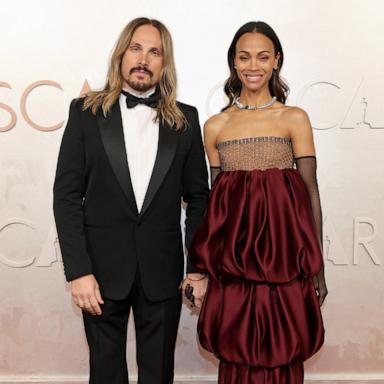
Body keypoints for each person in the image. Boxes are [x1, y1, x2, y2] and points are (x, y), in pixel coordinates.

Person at [53, 17, 209, 384]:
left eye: (154, 51)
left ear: (164, 62)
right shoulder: (85, 112)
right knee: (105, 374)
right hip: (100, 273)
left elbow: (198, 198)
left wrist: (197, 268)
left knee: (158, 375)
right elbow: (66, 196)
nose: (144, 58)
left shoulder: (186, 119)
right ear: (122, 54)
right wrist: (78, 271)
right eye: (136, 48)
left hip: (163, 272)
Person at [186, 21, 328, 383]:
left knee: (283, 352)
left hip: (284, 268)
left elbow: (310, 191)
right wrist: (203, 269)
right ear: (233, 62)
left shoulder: (294, 118)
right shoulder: (215, 126)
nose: (254, 66)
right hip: (233, 271)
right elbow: (215, 206)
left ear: (276, 61)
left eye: (263, 57)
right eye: (244, 57)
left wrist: (317, 268)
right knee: (235, 354)